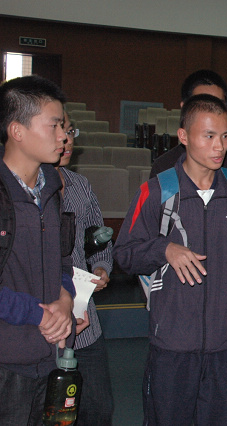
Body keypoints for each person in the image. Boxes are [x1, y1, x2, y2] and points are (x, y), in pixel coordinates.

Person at [113, 94, 227, 425]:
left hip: (226, 341)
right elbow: (124, 254)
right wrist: (164, 249)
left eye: (225, 136)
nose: (219, 146)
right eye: (208, 136)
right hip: (173, 342)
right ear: (183, 136)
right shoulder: (157, 191)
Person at [0, 75, 76, 424]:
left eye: (64, 126)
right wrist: (39, 314)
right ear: (17, 131)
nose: (64, 136)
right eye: (54, 125)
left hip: (50, 358)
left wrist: (65, 298)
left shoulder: (51, 189)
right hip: (7, 364)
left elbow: (62, 262)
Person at [55, 113, 114, 425]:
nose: (67, 140)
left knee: (98, 409)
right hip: (45, 322)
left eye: (70, 131)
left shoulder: (80, 185)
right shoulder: (24, 189)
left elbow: (98, 236)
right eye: (59, 131)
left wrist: (102, 268)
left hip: (84, 319)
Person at [149, 69, 227, 180]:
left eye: (218, 104)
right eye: (202, 104)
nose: (211, 111)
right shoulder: (164, 166)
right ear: (184, 108)